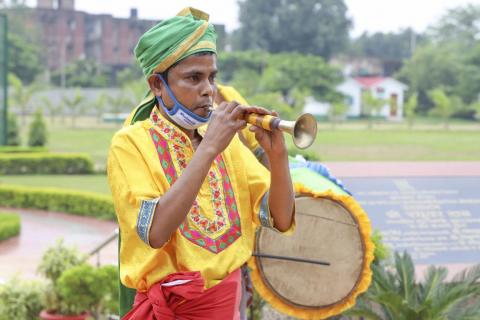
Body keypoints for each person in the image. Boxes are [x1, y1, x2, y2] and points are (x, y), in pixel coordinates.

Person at [107, 7, 295, 320]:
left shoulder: (225, 142)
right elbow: (154, 232)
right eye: (193, 78)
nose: (208, 89)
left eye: (211, 77)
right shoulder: (129, 144)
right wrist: (208, 148)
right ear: (157, 85)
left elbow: (281, 218)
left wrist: (278, 156)